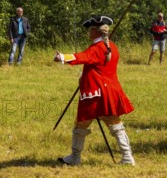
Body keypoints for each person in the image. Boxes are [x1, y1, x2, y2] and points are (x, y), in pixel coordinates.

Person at [53, 16, 135, 165]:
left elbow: (82, 57)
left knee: (81, 124)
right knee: (115, 123)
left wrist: (63, 57)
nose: (88, 33)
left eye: (90, 29)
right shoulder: (112, 47)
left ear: (96, 31)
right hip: (109, 90)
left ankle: (75, 157)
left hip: (96, 94)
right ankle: (127, 157)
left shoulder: (98, 48)